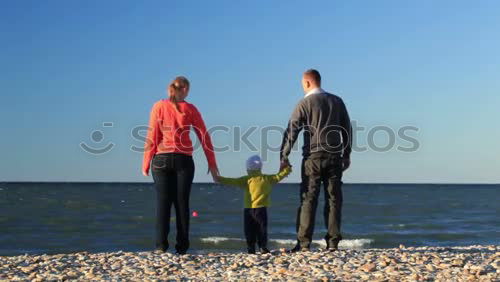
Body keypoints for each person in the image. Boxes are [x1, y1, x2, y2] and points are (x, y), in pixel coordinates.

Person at [142, 76, 220, 254]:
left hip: (160, 160)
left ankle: (161, 246)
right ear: (184, 89)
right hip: (183, 161)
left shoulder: (158, 106)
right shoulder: (190, 108)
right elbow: (204, 136)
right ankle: (182, 247)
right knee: (181, 204)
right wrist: (212, 164)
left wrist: (146, 162)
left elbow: (152, 136)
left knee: (163, 203)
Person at [279, 69, 352, 252]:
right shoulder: (337, 101)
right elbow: (347, 129)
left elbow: (292, 131)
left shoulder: (304, 103)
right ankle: (333, 243)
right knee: (334, 199)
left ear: (307, 83)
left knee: (308, 199)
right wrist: (347, 153)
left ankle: (304, 244)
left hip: (312, 157)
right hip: (334, 156)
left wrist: (284, 156)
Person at [217, 155, 292, 254]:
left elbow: (231, 181)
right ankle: (262, 247)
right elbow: (280, 175)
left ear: (247, 168)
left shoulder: (246, 179)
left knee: (249, 230)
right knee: (261, 229)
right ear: (261, 167)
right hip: (261, 209)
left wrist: (218, 178)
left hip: (248, 210)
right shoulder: (266, 178)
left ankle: (250, 248)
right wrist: (288, 167)